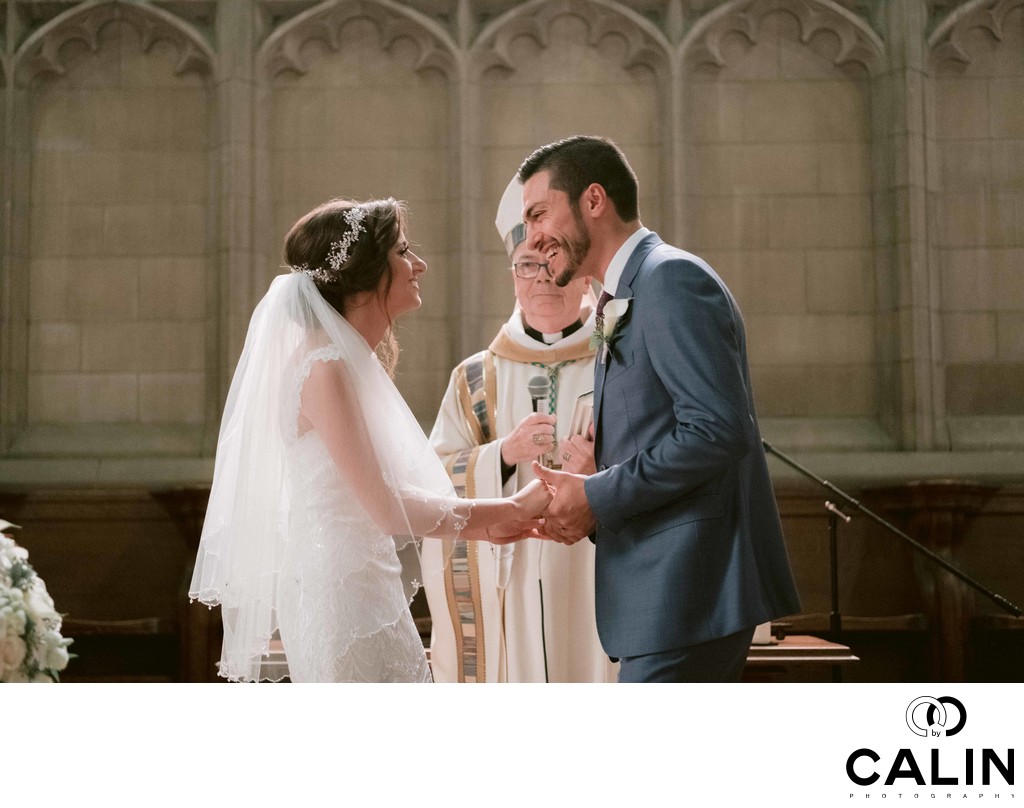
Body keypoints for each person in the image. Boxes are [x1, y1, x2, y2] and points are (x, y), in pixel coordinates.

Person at [189, 198, 550, 683]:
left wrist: (487, 525)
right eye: (402, 251)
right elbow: (385, 507)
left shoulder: (338, 360)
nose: (419, 264)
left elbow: (374, 496)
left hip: (359, 584)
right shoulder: (325, 367)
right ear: (362, 276)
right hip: (343, 599)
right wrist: (508, 509)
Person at [518, 136, 801, 682]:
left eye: (538, 214)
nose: (532, 238)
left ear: (593, 200)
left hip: (690, 593)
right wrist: (594, 483)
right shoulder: (628, 292)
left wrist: (598, 493)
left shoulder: (669, 278)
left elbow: (717, 430)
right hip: (663, 597)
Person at [422, 177, 618, 683]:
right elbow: (433, 481)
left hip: (598, 569)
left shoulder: (620, 360)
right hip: (509, 574)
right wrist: (502, 456)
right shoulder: (474, 377)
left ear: (584, 276)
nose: (542, 278)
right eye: (527, 265)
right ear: (513, 278)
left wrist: (602, 471)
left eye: (554, 262)